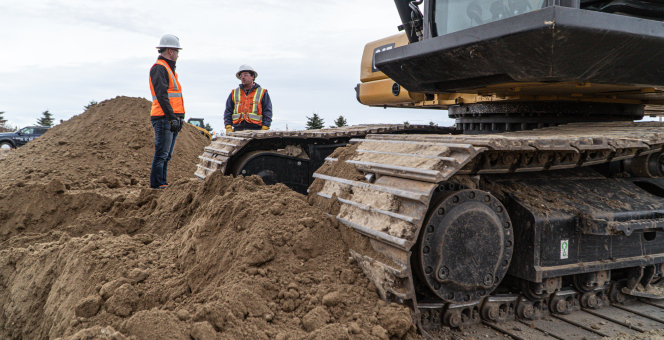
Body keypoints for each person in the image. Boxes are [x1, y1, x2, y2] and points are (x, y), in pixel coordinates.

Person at [149, 34, 184, 189]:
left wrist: (179, 117)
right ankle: (157, 185)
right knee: (161, 154)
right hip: (164, 118)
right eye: (177, 51)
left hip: (170, 117)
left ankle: (162, 183)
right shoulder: (159, 69)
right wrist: (172, 118)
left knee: (166, 155)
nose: (177, 55)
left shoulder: (170, 70)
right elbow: (162, 96)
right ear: (170, 51)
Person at [224, 65, 272, 133]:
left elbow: (267, 111)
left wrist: (265, 127)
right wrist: (228, 127)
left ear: (253, 76)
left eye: (245, 75)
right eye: (241, 76)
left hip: (257, 130)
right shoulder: (234, 93)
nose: (243, 77)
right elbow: (228, 111)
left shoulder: (262, 93)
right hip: (238, 129)